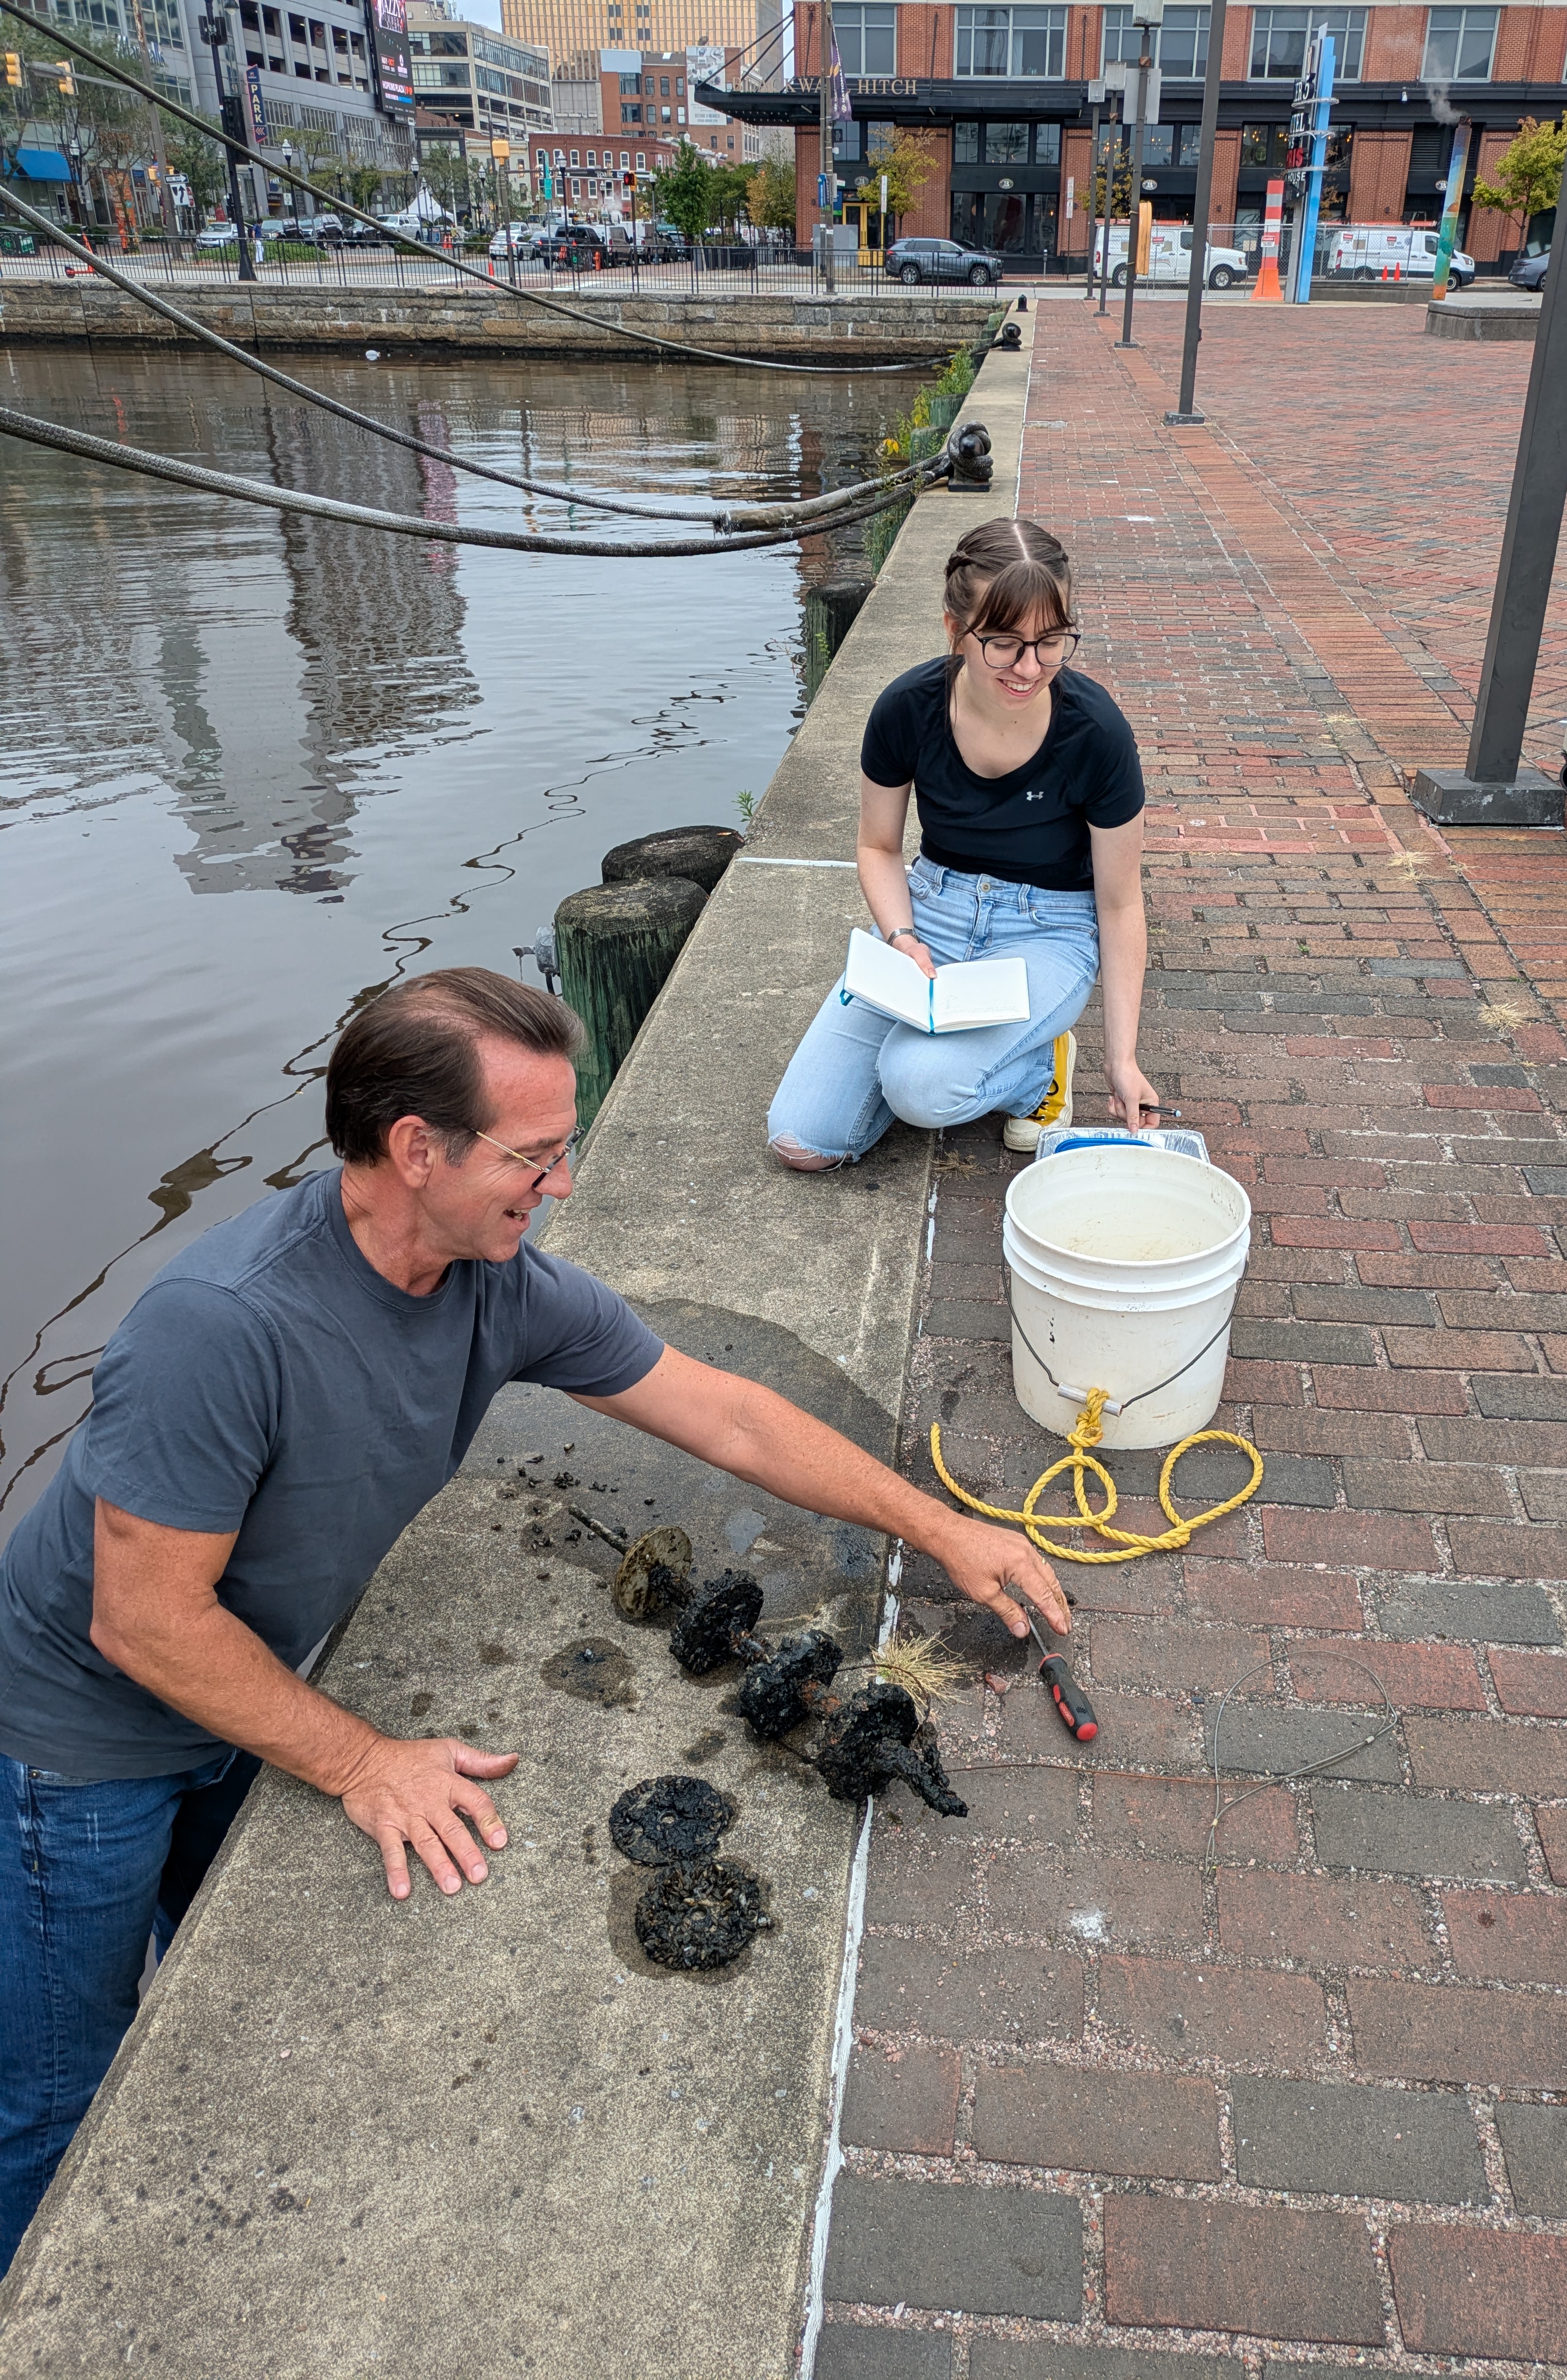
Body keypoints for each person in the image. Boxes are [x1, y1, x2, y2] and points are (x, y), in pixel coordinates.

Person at [0, 968, 1064, 2270]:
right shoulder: (220, 1330)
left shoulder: (491, 1278)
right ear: (415, 1148)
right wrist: (357, 1757)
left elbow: (722, 1410)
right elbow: (147, 1623)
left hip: (245, 1678)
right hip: (77, 1741)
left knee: (201, 1985)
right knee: (53, 2095)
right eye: (538, 1154)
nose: (560, 1184)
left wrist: (942, 1527)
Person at [767, 518, 1158, 1168]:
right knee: (802, 1141)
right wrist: (901, 938)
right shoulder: (907, 708)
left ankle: (1040, 1071)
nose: (1030, 668)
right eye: (1003, 643)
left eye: (1052, 642)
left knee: (920, 1084)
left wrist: (1122, 1059)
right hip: (933, 911)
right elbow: (879, 848)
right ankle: (953, 1043)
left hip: (1048, 930)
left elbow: (1119, 905)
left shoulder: (1096, 732)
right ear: (955, 630)